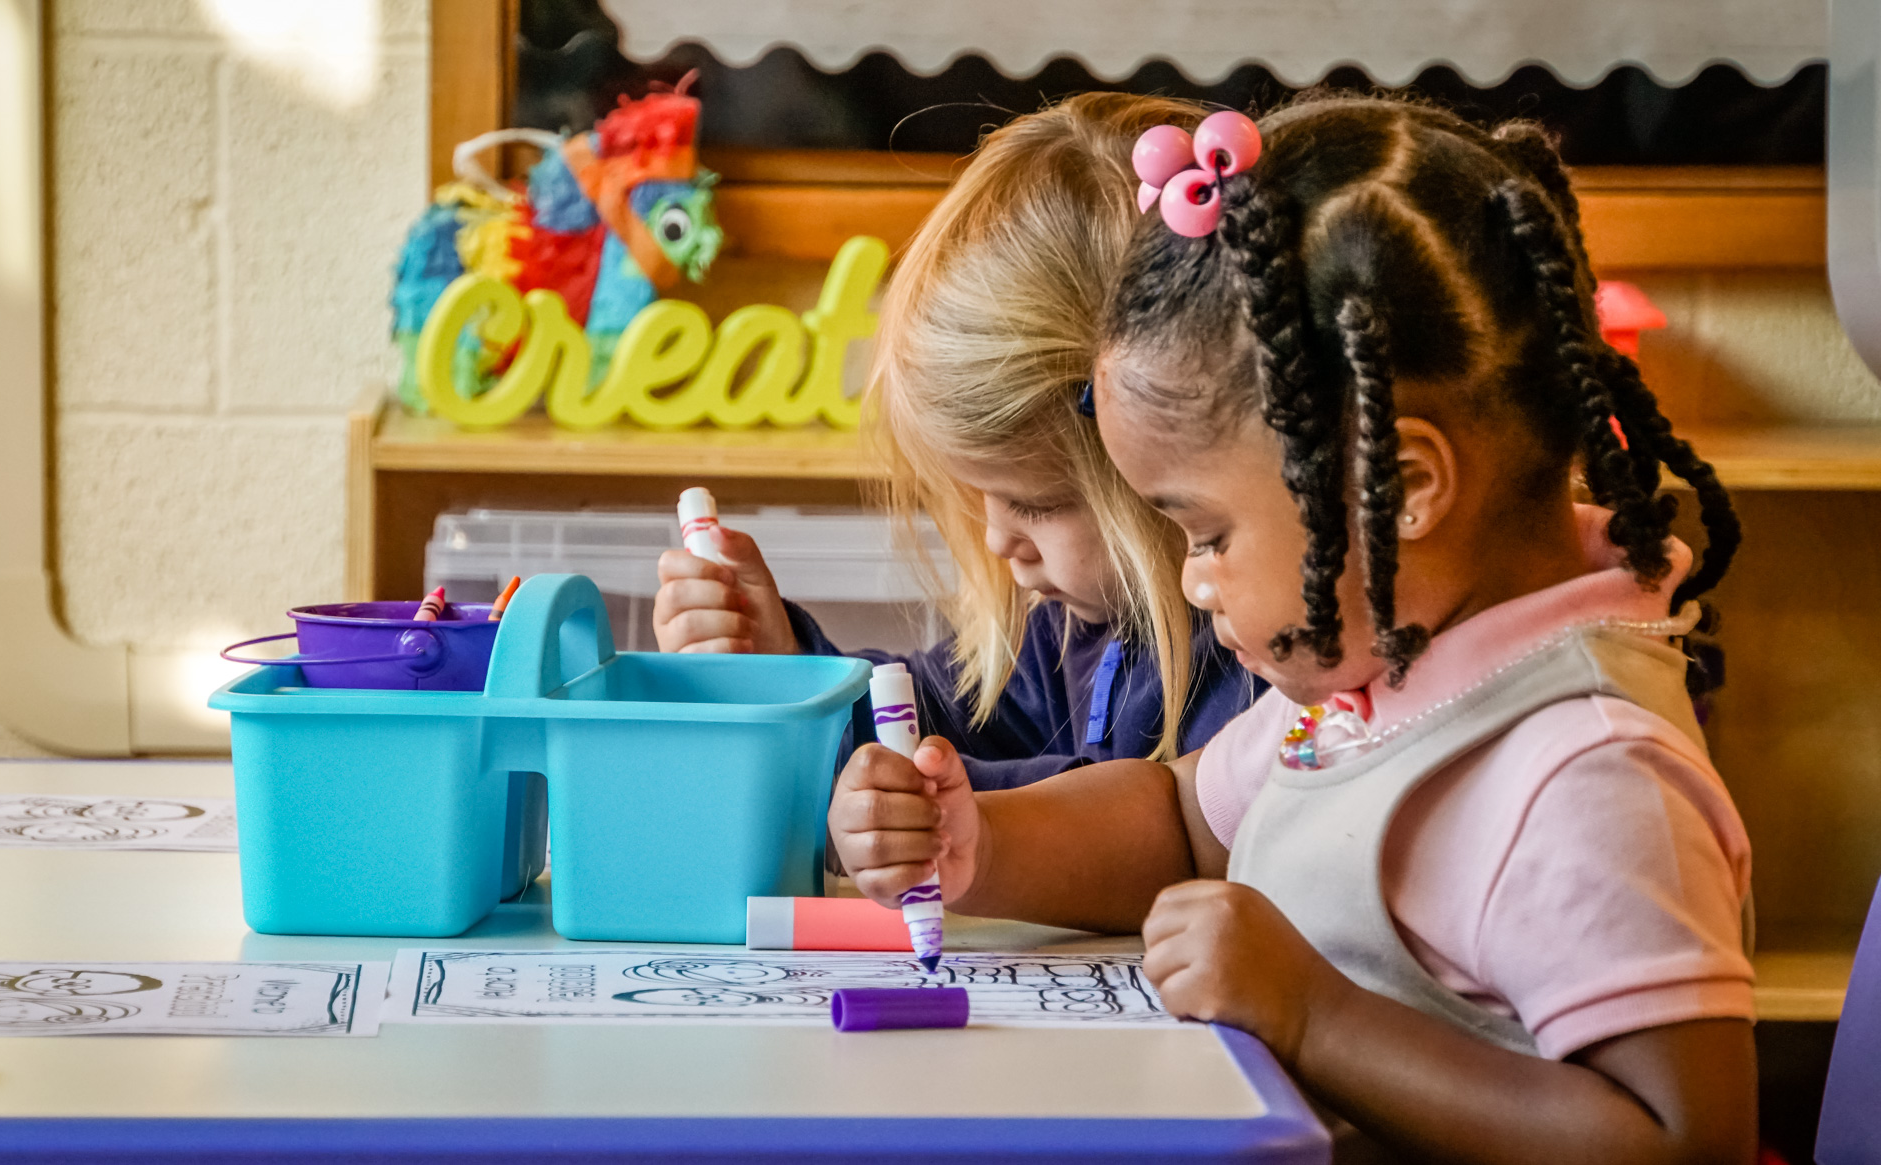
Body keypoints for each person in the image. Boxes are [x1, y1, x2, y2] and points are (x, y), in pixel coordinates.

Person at [829, 94, 1756, 1162]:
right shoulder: (1376, 685)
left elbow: (1685, 1142)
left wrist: (1317, 1017)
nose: (1191, 580)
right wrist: (980, 845)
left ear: (1403, 487)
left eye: (1209, 532)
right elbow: (1180, 819)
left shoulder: (1586, 773)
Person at [654, 94, 1258, 790]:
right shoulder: (1067, 632)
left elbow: (1130, 824)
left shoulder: (1256, 666)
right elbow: (931, 718)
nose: (1000, 538)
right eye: (981, 494)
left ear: (1169, 455)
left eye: (1034, 502)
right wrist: (787, 663)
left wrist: (949, 806)